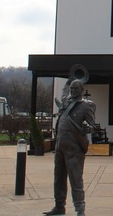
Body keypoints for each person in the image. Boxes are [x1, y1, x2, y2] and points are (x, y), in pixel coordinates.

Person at [44, 79, 96, 216]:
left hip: (74, 148)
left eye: (75, 89)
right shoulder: (66, 102)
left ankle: (80, 210)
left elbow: (93, 126)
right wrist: (68, 82)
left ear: (82, 90)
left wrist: (87, 128)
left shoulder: (87, 105)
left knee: (75, 179)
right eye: (71, 89)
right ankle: (59, 206)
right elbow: (63, 93)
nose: (72, 91)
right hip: (60, 145)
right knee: (58, 178)